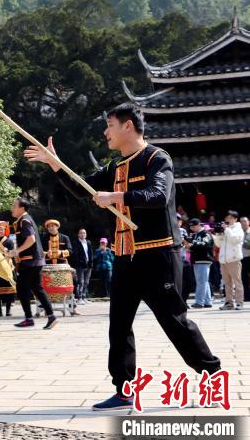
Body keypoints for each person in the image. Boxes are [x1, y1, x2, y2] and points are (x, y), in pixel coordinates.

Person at [25, 102, 221, 411]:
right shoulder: (116, 167)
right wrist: (55, 164)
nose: (105, 132)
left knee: (175, 322)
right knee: (118, 325)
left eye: (110, 125)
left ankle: (212, 375)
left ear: (127, 126)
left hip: (159, 255)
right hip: (126, 258)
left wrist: (116, 197)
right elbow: (83, 189)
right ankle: (123, 388)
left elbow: (158, 197)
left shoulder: (157, 159)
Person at [8, 199, 58, 330]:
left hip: (30, 261)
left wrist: (16, 251)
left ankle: (29, 318)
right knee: (37, 288)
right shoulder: (25, 220)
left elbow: (31, 239)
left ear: (22, 208)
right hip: (35, 260)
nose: (12, 208)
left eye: (14, 206)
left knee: (22, 288)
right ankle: (51, 316)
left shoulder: (24, 221)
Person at [212, 210, 244, 310]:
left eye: (230, 218)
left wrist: (226, 229)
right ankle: (228, 303)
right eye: (227, 218)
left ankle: (239, 303)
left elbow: (235, 239)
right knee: (227, 283)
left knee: (237, 282)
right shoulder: (226, 229)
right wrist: (218, 234)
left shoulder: (238, 229)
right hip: (224, 261)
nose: (228, 220)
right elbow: (218, 244)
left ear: (235, 219)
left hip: (234, 259)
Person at [0, 222, 17, 317]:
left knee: (9, 290)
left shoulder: (9, 241)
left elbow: (13, 253)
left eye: (2, 229)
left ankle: (8, 311)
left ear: (5, 230)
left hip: (6, 267)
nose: (0, 231)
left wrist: (6, 251)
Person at [188, 218, 213, 309]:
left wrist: (192, 243)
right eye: (191, 226)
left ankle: (199, 302)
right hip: (198, 260)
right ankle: (207, 301)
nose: (192, 228)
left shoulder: (205, 233)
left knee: (201, 282)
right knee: (203, 281)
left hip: (204, 259)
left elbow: (205, 244)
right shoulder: (196, 234)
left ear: (199, 225)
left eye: (193, 226)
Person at [71, 228, 93, 303]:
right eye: (81, 233)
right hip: (80, 265)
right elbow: (75, 254)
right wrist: (80, 261)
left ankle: (84, 297)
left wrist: (91, 262)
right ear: (78, 234)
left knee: (86, 282)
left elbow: (90, 253)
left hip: (88, 264)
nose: (82, 234)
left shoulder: (88, 242)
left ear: (86, 234)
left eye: (84, 233)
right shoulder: (76, 242)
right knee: (80, 281)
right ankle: (79, 298)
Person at [240, 216, 250, 302]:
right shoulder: (239, 233)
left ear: (248, 222)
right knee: (243, 278)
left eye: (245, 221)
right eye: (241, 222)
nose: (243, 223)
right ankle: (246, 296)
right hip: (242, 258)